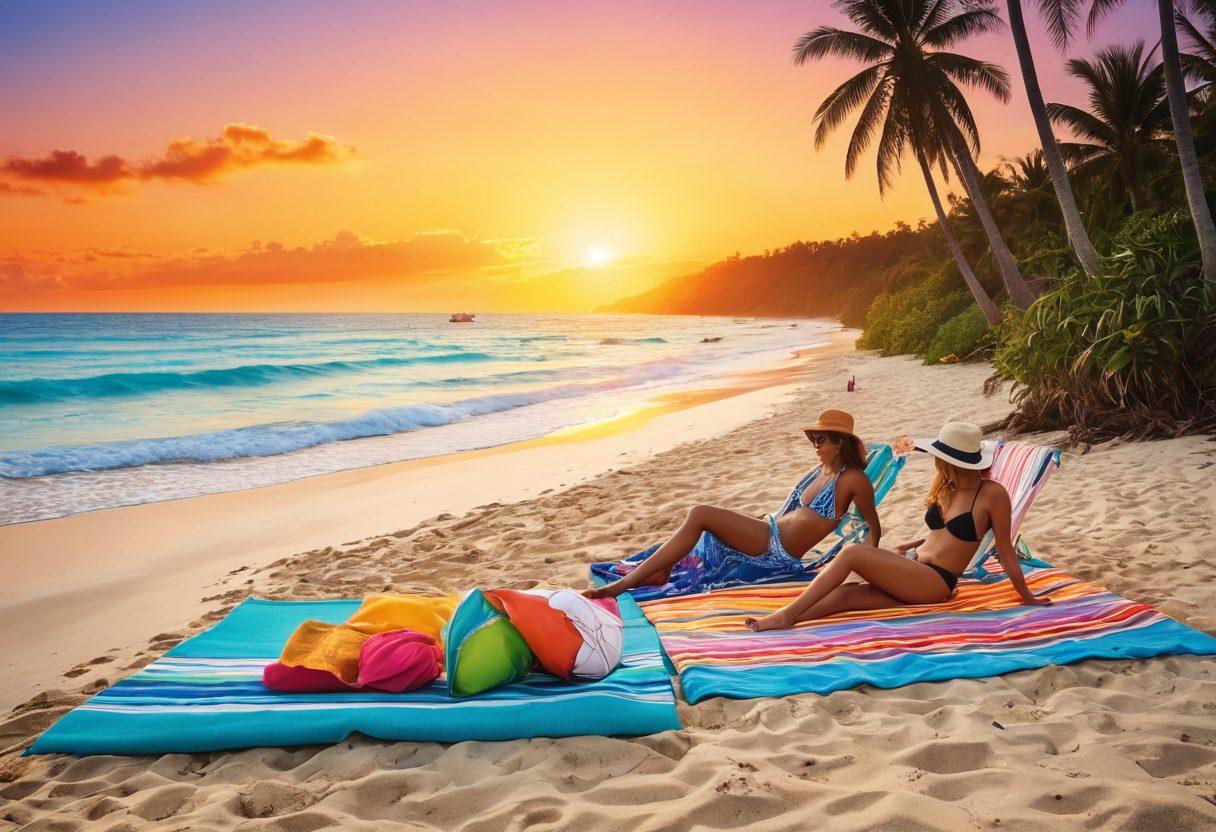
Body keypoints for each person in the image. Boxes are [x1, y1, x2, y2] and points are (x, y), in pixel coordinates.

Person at [745, 421, 1052, 631]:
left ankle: (786, 614)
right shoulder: (946, 487)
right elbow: (944, 534)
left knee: (852, 554)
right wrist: (915, 546)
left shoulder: (992, 494)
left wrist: (1027, 596)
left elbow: (1004, 548)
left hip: (935, 582)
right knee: (848, 595)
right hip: (915, 567)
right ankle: (787, 619)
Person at [584, 409, 880, 599]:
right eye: (813, 439)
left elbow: (873, 528)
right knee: (704, 525)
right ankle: (661, 569)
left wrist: (867, 565)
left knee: (700, 513)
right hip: (768, 531)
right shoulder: (820, 470)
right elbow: (791, 513)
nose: (815, 444)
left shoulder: (853, 479)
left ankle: (623, 586)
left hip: (776, 550)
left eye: (822, 439)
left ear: (840, 443)